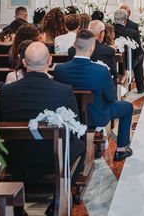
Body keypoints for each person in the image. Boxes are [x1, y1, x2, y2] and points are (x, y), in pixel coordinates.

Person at [0, 42, 85, 184]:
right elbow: (75, 127)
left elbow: (0, 122)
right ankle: (60, 193)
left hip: (15, 158)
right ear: (50, 61)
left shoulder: (6, 91)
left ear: (24, 62)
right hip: (51, 158)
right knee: (80, 146)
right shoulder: (64, 91)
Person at [54, 30, 134, 162]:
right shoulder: (100, 70)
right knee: (127, 107)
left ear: (74, 45)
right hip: (96, 116)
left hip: (71, 115)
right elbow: (111, 97)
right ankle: (121, 149)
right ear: (92, 48)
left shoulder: (60, 70)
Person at [114, 9, 144, 94]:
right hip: (128, 62)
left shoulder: (108, 30)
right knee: (140, 54)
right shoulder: (133, 33)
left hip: (112, 61)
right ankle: (140, 87)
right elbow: (138, 50)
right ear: (125, 20)